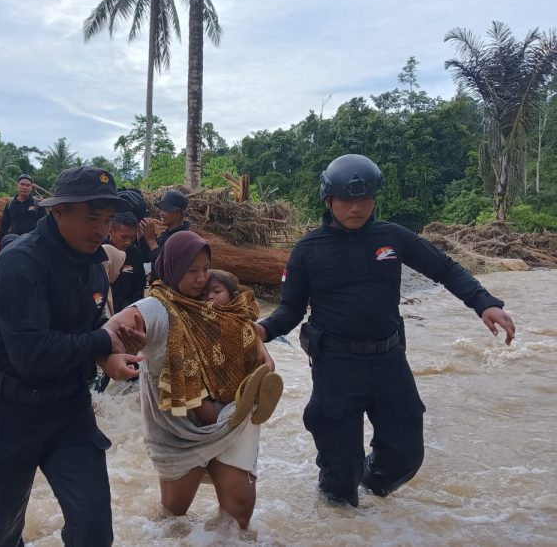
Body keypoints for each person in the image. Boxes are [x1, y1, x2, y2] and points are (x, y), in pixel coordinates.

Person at [257, 153, 516, 508]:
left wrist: (484, 302)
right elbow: (290, 309)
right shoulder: (307, 251)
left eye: (365, 198)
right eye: (347, 199)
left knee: (405, 457)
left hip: (390, 361)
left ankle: (370, 492)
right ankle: (340, 512)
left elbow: (444, 268)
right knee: (339, 479)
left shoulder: (392, 237)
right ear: (328, 200)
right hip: (336, 366)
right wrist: (261, 331)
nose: (357, 207)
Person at [0, 166, 144, 547]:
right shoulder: (19, 264)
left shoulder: (94, 268)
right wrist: (102, 341)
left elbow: (91, 328)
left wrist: (112, 354)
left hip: (69, 410)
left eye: (107, 220)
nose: (101, 229)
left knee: (95, 532)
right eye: (92, 218)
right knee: (0, 535)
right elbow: (32, 354)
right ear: (58, 211)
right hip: (6, 413)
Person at [103, 231, 282, 530]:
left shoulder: (218, 301)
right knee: (173, 518)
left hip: (233, 415)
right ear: (173, 268)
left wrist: (262, 356)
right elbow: (111, 328)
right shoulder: (156, 307)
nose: (201, 278)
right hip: (179, 430)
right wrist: (111, 356)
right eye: (192, 271)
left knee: (238, 515)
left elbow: (246, 330)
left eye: (206, 269)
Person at [194, 269, 279, 426]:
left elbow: (261, 351)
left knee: (259, 376)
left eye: (216, 291)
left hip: (243, 382)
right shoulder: (197, 322)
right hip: (213, 388)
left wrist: (268, 365)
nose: (210, 296)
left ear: (233, 296)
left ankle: (256, 402)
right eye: (203, 294)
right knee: (195, 397)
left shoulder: (242, 321)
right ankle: (236, 413)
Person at [140, 189, 190, 282]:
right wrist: (143, 235)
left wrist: (151, 241)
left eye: (165, 210)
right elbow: (147, 256)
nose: (161, 213)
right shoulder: (166, 234)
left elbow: (164, 267)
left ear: (177, 212)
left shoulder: (183, 238)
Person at [106, 211, 146, 312]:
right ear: (110, 231)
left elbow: (139, 287)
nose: (128, 242)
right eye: (124, 237)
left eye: (132, 237)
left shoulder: (135, 253)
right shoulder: (100, 252)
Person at [0, 173, 45, 252]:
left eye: (28, 185)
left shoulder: (37, 204)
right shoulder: (10, 203)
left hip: (32, 242)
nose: (24, 187)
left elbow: (43, 225)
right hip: (13, 241)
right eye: (22, 184)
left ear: (31, 188)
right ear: (17, 186)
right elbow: (5, 224)